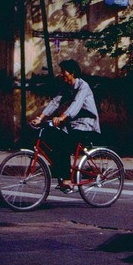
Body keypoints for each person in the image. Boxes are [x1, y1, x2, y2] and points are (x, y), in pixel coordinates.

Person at [30, 59, 101, 193]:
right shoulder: (65, 86)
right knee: (53, 137)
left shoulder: (83, 86)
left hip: (86, 124)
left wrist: (62, 117)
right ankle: (63, 172)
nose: (61, 75)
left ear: (72, 73)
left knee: (64, 143)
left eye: (64, 72)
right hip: (72, 124)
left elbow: (76, 104)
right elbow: (55, 102)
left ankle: (68, 179)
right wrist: (40, 118)